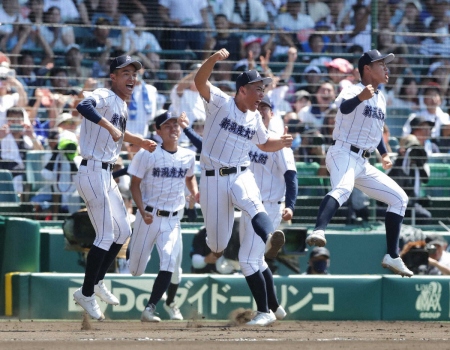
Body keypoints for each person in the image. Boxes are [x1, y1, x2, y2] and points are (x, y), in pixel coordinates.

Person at [194, 48, 293, 326]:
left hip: (240, 172)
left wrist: (281, 143)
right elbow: (199, 82)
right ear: (242, 90)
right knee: (219, 244)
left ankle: (271, 236)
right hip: (213, 178)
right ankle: (220, 248)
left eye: (263, 89)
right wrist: (213, 59)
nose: (261, 93)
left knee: (253, 204)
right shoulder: (221, 103)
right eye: (257, 88)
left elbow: (264, 144)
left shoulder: (254, 118)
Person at [305, 49, 413, 278]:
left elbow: (375, 133)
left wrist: (383, 153)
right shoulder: (352, 89)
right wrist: (359, 98)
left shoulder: (381, 97)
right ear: (367, 68)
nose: (387, 69)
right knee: (343, 189)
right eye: (381, 64)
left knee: (399, 198)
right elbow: (343, 108)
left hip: (363, 161)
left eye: (386, 65)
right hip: (342, 151)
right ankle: (319, 230)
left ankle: (392, 255)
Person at [72, 55, 157, 321]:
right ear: (113, 77)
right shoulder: (105, 95)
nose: (131, 78)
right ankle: (85, 293)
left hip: (105, 174)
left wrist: (139, 141)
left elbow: (120, 133)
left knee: (123, 231)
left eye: (134, 74)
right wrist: (108, 126)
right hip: (92, 170)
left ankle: (96, 282)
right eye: (125, 73)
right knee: (106, 235)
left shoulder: (119, 103)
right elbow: (82, 105)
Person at [127, 110, 198, 323]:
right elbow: (134, 185)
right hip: (148, 215)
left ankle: (150, 308)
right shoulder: (147, 153)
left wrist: (194, 192)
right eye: (167, 125)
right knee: (136, 270)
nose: (173, 128)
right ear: (157, 130)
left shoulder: (188, 155)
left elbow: (190, 178)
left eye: (176, 124)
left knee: (168, 261)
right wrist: (141, 211)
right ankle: (137, 250)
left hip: (172, 218)